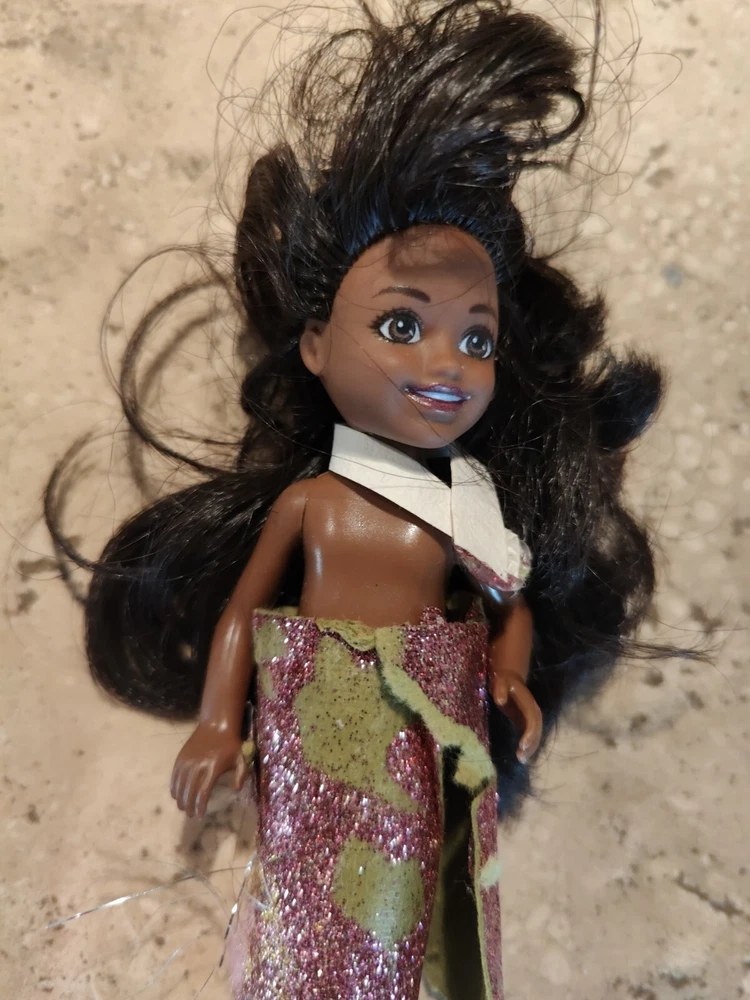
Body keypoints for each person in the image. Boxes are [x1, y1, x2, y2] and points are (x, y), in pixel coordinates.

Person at [47, 2, 670, 997]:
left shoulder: (466, 507)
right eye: (401, 325)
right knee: (310, 928)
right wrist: (219, 720)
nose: (446, 364)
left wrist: (510, 674)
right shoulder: (314, 503)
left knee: (431, 930)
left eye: (476, 340)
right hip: (316, 708)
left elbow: (505, 606)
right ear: (314, 345)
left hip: (434, 711)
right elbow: (245, 611)